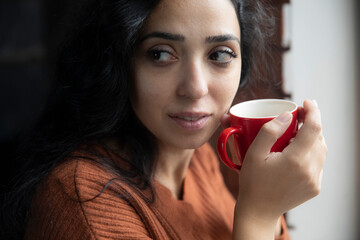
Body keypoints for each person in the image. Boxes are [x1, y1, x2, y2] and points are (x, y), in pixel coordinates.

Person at [1, 0, 327, 239]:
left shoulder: (197, 158)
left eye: (220, 55)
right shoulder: (81, 202)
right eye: (160, 54)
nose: (195, 88)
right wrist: (260, 214)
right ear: (120, 61)